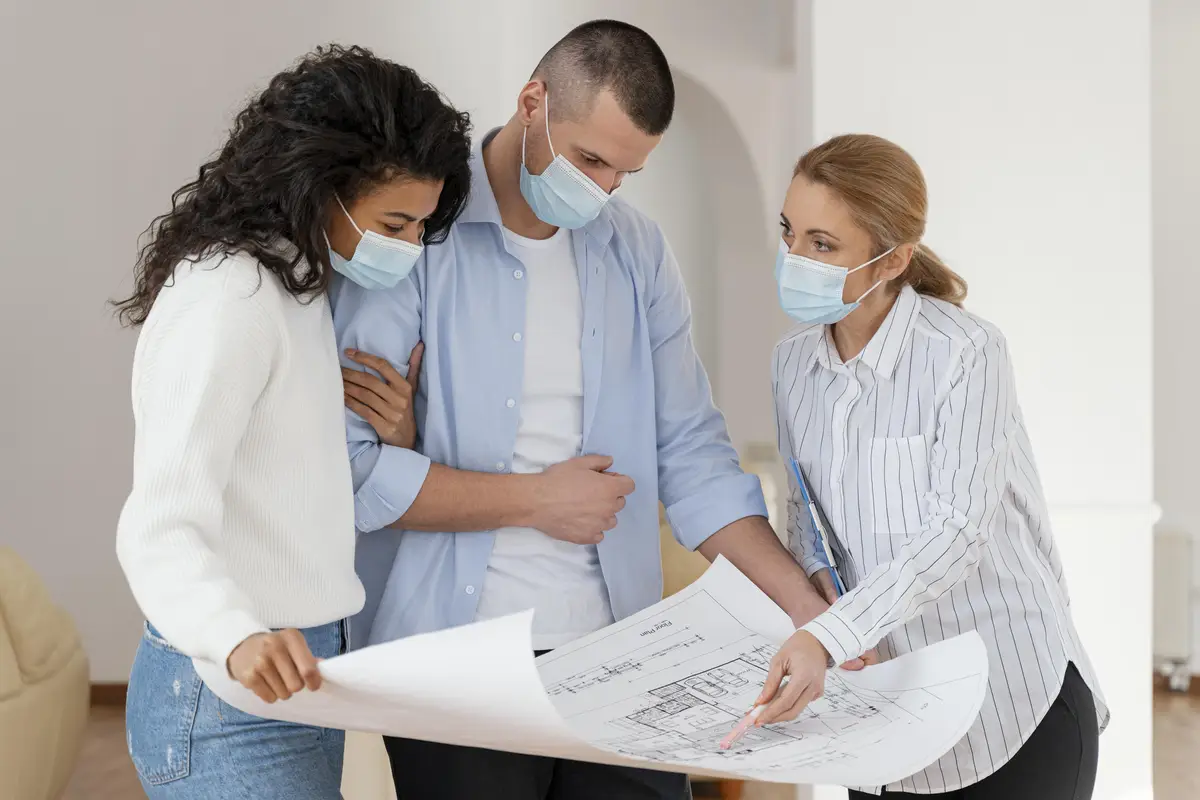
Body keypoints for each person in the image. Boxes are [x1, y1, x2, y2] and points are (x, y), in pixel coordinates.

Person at [331, 20, 841, 800]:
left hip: (618, 657)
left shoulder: (636, 251)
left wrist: (805, 606)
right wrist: (538, 500)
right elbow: (357, 472)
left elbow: (694, 457)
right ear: (532, 102)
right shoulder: (416, 233)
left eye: (623, 173)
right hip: (456, 666)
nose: (600, 191)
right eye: (590, 160)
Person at [113, 45, 471, 799]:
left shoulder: (298, 284)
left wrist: (394, 436)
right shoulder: (228, 297)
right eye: (396, 222)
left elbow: (283, 477)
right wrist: (233, 633)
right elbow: (159, 525)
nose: (411, 247)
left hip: (296, 676)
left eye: (421, 226)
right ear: (320, 188)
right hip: (228, 693)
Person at [754, 133, 1107, 799]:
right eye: (789, 232)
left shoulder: (967, 352)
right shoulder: (791, 365)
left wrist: (832, 634)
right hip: (888, 714)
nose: (794, 258)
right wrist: (822, 602)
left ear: (893, 259)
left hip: (1011, 708)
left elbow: (958, 530)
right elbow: (807, 516)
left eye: (822, 245)